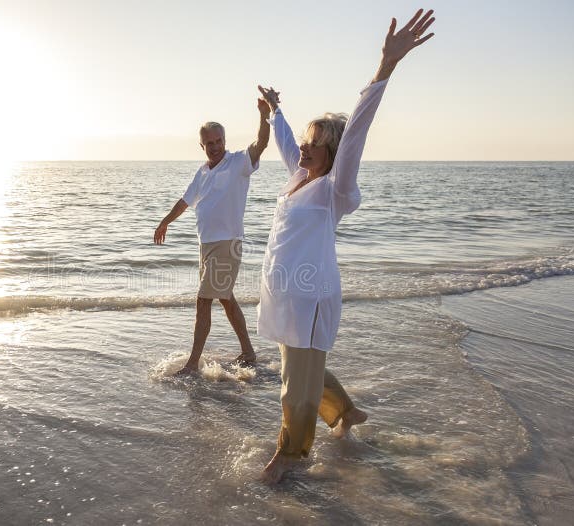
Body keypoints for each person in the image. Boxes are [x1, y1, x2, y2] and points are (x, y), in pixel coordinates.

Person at [256, 9, 436, 484]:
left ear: (333, 150)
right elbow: (284, 143)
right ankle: (346, 413)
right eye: (305, 141)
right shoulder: (298, 179)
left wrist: (385, 67)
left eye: (315, 143)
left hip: (311, 295)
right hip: (287, 295)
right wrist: (276, 110)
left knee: (296, 383)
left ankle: (290, 455)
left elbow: (356, 130)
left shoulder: (334, 187)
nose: (304, 148)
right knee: (299, 371)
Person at [153, 98, 271, 375]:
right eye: (210, 143)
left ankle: (193, 362)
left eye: (219, 141)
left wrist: (264, 115)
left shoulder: (239, 163)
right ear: (202, 146)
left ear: (225, 140)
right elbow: (184, 202)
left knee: (203, 299)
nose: (215, 146)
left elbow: (261, 143)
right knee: (226, 299)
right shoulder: (202, 172)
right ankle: (249, 352)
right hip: (206, 245)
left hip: (226, 244)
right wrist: (164, 222)